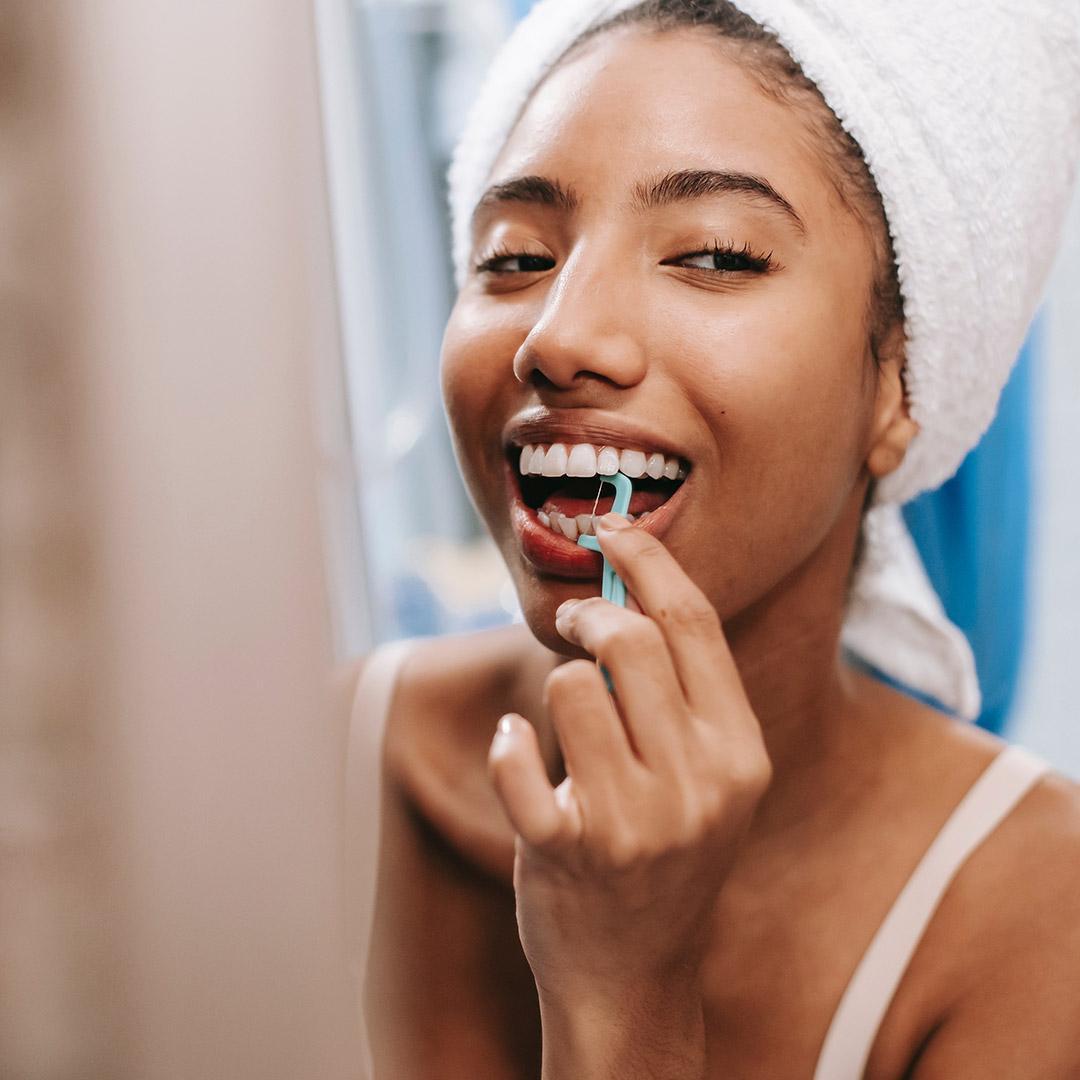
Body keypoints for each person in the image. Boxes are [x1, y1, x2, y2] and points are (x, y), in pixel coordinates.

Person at [347, 2, 1080, 1076]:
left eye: (717, 256)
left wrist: (627, 993)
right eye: (513, 258)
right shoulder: (325, 770)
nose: (558, 338)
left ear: (897, 382)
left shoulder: (1034, 917)